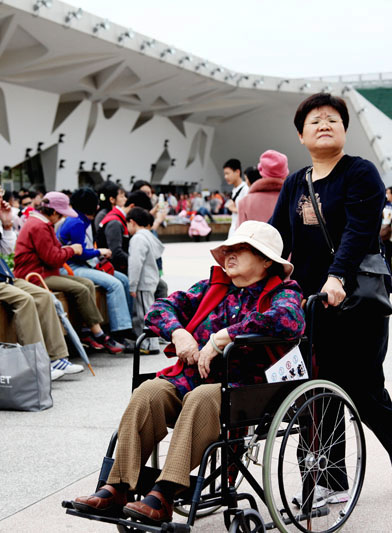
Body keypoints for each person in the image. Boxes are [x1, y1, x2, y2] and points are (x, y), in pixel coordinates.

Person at [72, 221, 305, 524]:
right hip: (192, 379)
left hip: (246, 389)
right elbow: (158, 309)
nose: (229, 255)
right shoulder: (212, 288)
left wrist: (223, 337)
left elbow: (289, 320)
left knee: (203, 397)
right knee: (149, 392)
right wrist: (178, 332)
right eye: (227, 249)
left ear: (266, 260)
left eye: (240, 249)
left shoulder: (283, 292)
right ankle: (117, 488)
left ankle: (164, 494)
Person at [269, 92, 392, 497]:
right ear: (301, 135)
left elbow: (359, 231)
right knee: (314, 388)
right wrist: (247, 263)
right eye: (314, 120)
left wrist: (336, 276)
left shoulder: (360, 173)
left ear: (345, 129)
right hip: (310, 304)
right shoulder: (296, 182)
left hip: (357, 300)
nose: (324, 124)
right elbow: (276, 235)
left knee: (363, 387)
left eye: (332, 118)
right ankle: (325, 478)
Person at [0, 175, 77, 380]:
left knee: (45, 296)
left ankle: (57, 357)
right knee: (25, 299)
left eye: (1, 190)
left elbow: (6, 250)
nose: (0, 195)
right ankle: (37, 362)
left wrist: (5, 225)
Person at [14, 191, 124, 354]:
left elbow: (51, 253)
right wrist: (71, 250)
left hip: (43, 271)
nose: (61, 218)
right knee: (81, 288)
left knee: (86, 284)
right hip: (37, 274)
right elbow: (53, 258)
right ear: (53, 212)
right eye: (61, 214)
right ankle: (98, 333)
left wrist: (67, 250)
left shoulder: (40, 222)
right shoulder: (39, 226)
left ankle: (87, 330)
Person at [57, 188, 134, 343]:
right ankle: (119, 332)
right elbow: (80, 252)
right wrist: (99, 252)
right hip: (72, 266)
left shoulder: (81, 219)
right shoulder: (76, 222)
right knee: (115, 284)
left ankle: (127, 325)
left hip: (83, 265)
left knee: (124, 280)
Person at [126, 207, 164, 354]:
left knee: (143, 315)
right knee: (149, 311)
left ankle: (148, 344)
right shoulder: (148, 235)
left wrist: (132, 285)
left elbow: (135, 263)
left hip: (142, 282)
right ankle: (152, 342)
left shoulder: (137, 239)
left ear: (132, 222)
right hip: (151, 279)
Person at [238, 150, 288, 225]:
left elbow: (241, 234)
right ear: (285, 174)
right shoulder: (295, 200)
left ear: (261, 171)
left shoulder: (245, 202)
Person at [223, 159, 247, 236]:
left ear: (237, 172)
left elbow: (249, 211)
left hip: (241, 233)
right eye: (225, 174)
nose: (225, 177)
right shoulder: (235, 189)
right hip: (234, 231)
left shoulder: (245, 189)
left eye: (227, 173)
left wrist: (233, 209)